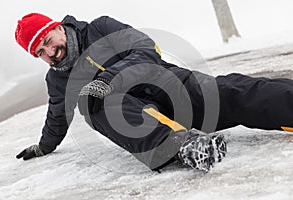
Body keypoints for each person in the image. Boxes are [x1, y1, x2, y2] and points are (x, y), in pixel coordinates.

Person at [15, 13, 293, 172]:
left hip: (170, 86)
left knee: (233, 91)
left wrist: (108, 79)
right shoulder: (57, 80)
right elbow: (57, 115)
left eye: (48, 41)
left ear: (57, 28)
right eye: (40, 52)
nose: (51, 53)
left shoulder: (100, 28)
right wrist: (44, 146)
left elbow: (146, 49)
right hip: (137, 122)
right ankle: (182, 148)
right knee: (91, 103)